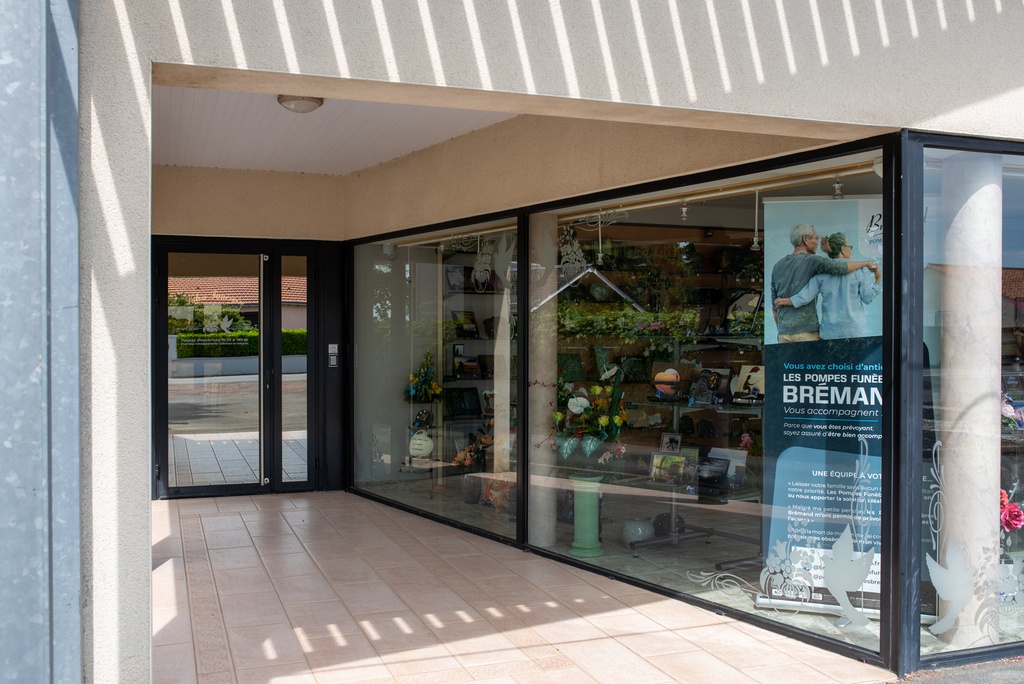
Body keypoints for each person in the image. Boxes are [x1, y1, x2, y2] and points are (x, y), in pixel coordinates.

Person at [770, 224, 878, 343]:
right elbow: (840, 268)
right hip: (845, 330)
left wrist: (785, 303)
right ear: (843, 249)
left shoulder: (778, 267)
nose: (817, 243)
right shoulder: (816, 262)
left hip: (821, 332)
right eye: (816, 238)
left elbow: (799, 299)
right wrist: (872, 271)